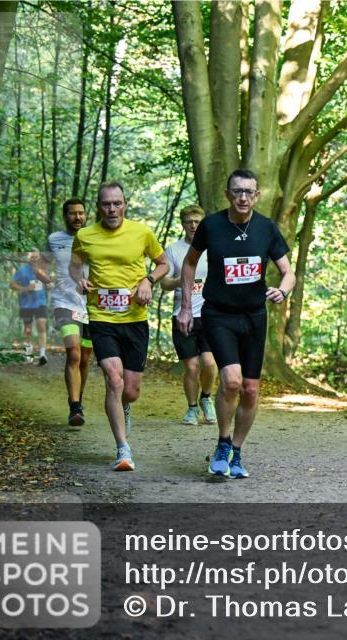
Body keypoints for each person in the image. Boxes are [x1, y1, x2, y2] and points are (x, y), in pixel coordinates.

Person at [178, 169, 294, 479]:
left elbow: (288, 272)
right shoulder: (212, 225)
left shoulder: (266, 228)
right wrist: (186, 308)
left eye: (249, 192)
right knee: (231, 381)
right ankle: (223, 443)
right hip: (219, 314)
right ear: (228, 194)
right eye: (237, 191)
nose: (243, 197)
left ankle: (237, 452)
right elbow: (189, 263)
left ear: (257, 196)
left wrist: (282, 290)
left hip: (254, 317)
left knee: (251, 390)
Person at [70, 182, 168, 471]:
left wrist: (148, 281)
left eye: (117, 203)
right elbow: (75, 265)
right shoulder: (85, 235)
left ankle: (124, 406)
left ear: (125, 204)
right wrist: (79, 278)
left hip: (134, 318)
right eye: (106, 204)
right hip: (102, 317)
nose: (112, 209)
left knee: (130, 390)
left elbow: (163, 264)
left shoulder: (142, 232)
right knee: (114, 379)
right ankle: (123, 449)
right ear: (98, 207)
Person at [161, 204, 217, 426]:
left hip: (210, 314)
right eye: (189, 222)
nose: (193, 225)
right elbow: (164, 283)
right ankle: (192, 408)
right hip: (183, 315)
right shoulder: (173, 250)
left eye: (197, 221)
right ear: (182, 224)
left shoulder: (213, 247)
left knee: (209, 363)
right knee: (191, 366)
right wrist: (182, 280)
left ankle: (206, 398)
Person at [45, 198, 93, 426]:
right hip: (64, 303)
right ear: (65, 216)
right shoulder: (54, 239)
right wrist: (47, 280)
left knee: (85, 358)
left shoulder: (94, 237)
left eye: (81, 213)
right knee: (73, 352)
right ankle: (75, 407)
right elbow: (41, 265)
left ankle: (77, 399)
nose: (78, 217)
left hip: (91, 306)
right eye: (73, 213)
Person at [11, 251, 51, 364]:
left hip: (40, 302)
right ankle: (28, 354)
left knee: (41, 325)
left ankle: (42, 354)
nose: (34, 259)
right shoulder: (22, 270)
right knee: (27, 329)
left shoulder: (43, 270)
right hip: (26, 304)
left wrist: (49, 284)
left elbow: (49, 282)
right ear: (29, 258)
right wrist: (25, 288)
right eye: (32, 257)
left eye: (36, 257)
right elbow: (12, 284)